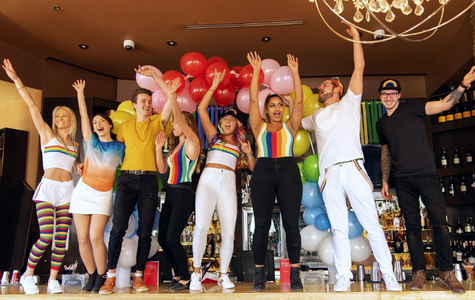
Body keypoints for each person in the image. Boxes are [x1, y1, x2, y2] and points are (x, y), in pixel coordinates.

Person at [300, 23, 401, 292]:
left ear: (337, 89)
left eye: (325, 85)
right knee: (338, 227)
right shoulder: (316, 117)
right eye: (319, 86)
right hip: (329, 174)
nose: (320, 89)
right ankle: (344, 276)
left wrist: (356, 37)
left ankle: (389, 275)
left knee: (372, 224)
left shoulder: (349, 103)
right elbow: (297, 114)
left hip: (354, 168)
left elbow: (359, 68)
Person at [375, 69, 475, 294]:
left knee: (439, 222)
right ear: (380, 96)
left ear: (399, 95)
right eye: (384, 94)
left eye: (392, 93)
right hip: (402, 179)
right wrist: (385, 180)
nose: (388, 97)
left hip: (425, 174)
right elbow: (386, 152)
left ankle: (447, 272)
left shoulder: (413, 107)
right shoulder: (381, 124)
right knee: (412, 227)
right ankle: (418, 272)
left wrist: (463, 86)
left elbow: (443, 105)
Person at [2, 59, 80, 294]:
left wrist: (78, 168)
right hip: (47, 189)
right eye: (57, 117)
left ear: (71, 119)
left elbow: (70, 165)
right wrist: (17, 79)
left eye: (64, 116)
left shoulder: (75, 144)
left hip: (67, 191)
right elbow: (31, 106)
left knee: (60, 239)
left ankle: (53, 279)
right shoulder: (47, 134)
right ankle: (27, 275)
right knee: (46, 236)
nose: (59, 120)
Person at [99, 68, 172, 295]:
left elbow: (171, 98)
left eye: (150, 101)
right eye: (143, 101)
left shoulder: (157, 123)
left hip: (150, 182)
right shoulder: (125, 128)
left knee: (145, 231)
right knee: (118, 228)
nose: (147, 104)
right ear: (134, 105)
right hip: (127, 180)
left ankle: (138, 277)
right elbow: (111, 153)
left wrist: (155, 77)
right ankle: (110, 276)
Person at [190, 71, 256, 291]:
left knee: (229, 232)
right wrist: (214, 85)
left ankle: (223, 274)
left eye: (232, 119)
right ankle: (196, 273)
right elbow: (200, 109)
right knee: (201, 227)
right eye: (225, 118)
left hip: (228, 181)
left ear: (237, 124)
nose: (227, 121)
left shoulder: (241, 144)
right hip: (208, 180)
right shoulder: (213, 137)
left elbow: (252, 167)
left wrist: (248, 153)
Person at [247, 52, 304, 291]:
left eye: (280, 105)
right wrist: (256, 72)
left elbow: (299, 102)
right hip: (263, 171)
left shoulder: (291, 125)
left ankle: (295, 273)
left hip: (289, 171)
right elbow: (251, 100)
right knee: (261, 225)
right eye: (272, 105)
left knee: (291, 224)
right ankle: (259, 274)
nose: (277, 108)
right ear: (266, 110)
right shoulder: (258, 126)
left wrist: (295, 72)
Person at [69, 80, 125, 293]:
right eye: (95, 122)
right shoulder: (90, 141)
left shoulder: (120, 146)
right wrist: (81, 93)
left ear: (110, 125)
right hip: (83, 191)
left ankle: (102, 276)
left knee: (95, 236)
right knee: (82, 238)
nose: (97, 124)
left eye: (102, 121)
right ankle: (91, 275)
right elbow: (83, 116)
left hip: (103, 194)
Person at [155, 78, 204, 292]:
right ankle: (178, 274)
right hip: (170, 193)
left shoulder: (192, 143)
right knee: (164, 240)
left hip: (184, 194)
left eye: (176, 123)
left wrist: (171, 95)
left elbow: (179, 118)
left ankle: (186, 277)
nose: (173, 125)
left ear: (185, 124)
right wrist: (158, 148)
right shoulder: (175, 149)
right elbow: (162, 171)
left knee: (172, 237)